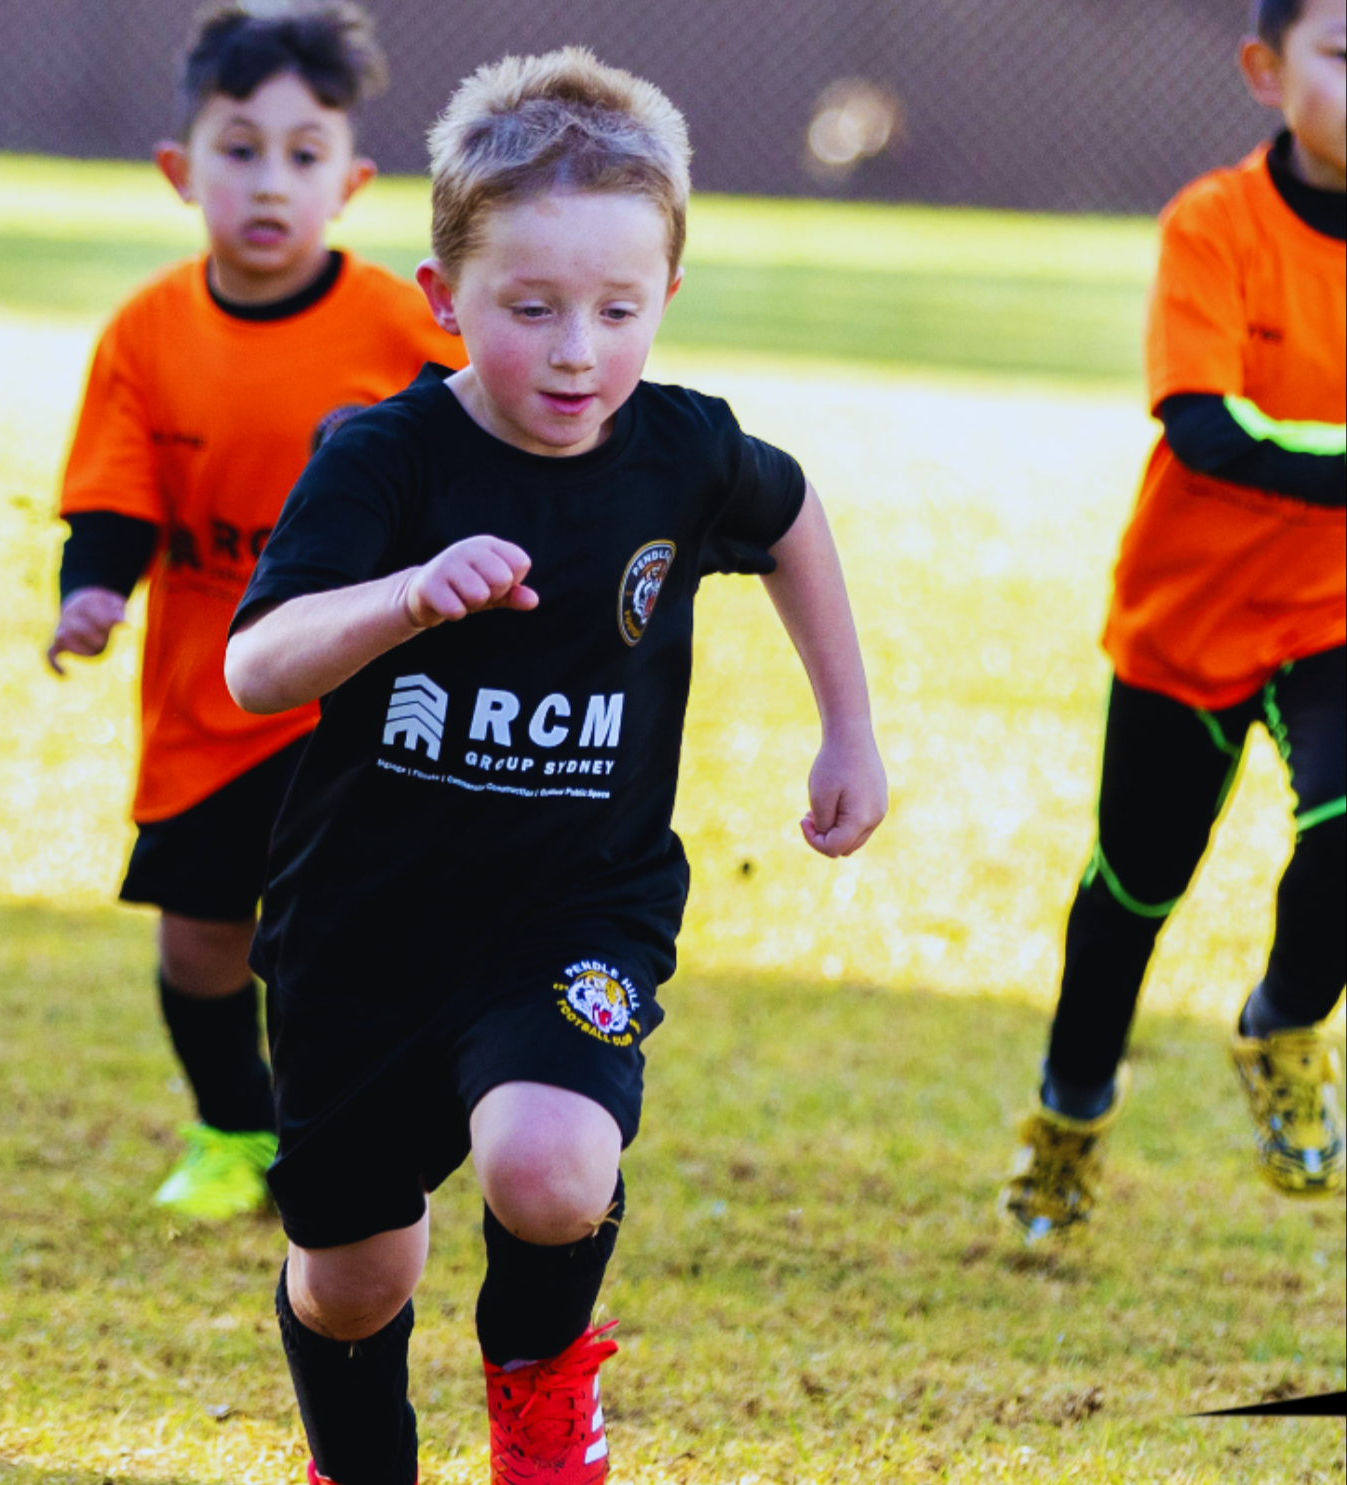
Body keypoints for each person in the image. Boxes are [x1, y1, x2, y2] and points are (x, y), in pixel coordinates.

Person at [224, 47, 887, 1485]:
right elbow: (256, 664)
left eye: (617, 309)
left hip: (575, 905)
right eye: (530, 311)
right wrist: (403, 595)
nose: (578, 351)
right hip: (363, 924)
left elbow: (788, 516)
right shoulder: (385, 460)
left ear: (667, 298)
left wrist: (849, 723)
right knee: (355, 1278)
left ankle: (538, 1412)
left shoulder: (678, 452)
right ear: (442, 297)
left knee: (550, 1168)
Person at [48, 0, 460, 1222]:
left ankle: (340, 1141)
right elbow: (117, 493)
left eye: (303, 152)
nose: (269, 181)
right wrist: (92, 589)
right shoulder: (149, 331)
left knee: (337, 950)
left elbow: (488, 458)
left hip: (362, 705)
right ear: (181, 172)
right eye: (238, 149)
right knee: (200, 946)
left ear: (352, 180)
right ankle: (234, 1130)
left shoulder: (401, 327)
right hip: (211, 698)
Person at [1000, 0, 1345, 1243]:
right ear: (1267, 68)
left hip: (1338, 617)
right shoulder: (1216, 224)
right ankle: (1071, 1115)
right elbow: (1204, 429)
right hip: (1191, 618)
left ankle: (1285, 1019)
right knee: (1136, 891)